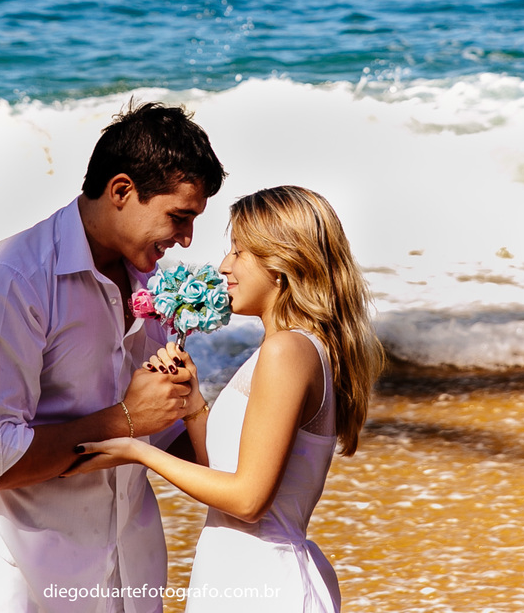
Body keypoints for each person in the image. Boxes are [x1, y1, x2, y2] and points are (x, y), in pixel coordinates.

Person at [0, 101, 227, 612]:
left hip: (131, 574)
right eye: (179, 217)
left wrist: (205, 418)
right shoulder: (10, 280)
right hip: (21, 577)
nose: (187, 240)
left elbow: (162, 434)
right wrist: (124, 419)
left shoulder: (154, 286)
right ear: (121, 191)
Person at [76, 186, 385, 612]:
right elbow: (227, 476)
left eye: (239, 251)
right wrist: (193, 406)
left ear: (282, 263)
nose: (224, 265)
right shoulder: (290, 348)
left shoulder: (287, 351)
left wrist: (137, 451)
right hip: (242, 574)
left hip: (263, 581)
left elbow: (248, 502)